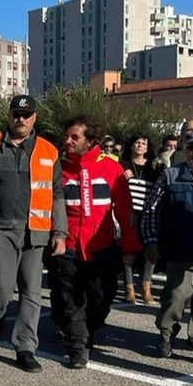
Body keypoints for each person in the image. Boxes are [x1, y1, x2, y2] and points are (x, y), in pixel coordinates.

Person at [0, 95, 65, 373]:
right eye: (16, 114)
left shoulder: (48, 151)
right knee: (1, 287)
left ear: (34, 119)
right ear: (9, 117)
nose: (21, 119)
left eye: (26, 115)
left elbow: (57, 195)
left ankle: (25, 347)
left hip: (35, 232)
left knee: (31, 292)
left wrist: (60, 232)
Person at [50, 116, 140, 369]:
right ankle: (77, 346)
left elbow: (125, 210)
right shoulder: (59, 167)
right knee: (72, 300)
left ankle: (86, 331)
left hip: (102, 248)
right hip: (67, 246)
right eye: (66, 136)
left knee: (102, 298)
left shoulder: (111, 168)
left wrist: (130, 247)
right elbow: (47, 206)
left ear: (90, 141)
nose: (67, 141)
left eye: (74, 137)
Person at [140, 131, 193, 365]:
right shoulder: (170, 175)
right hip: (180, 252)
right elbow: (151, 210)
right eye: (192, 148)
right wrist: (151, 241)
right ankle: (166, 334)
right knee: (176, 296)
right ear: (184, 150)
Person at [120, 134, 160, 305]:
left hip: (148, 213)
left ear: (148, 148)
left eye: (144, 143)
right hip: (129, 213)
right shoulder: (122, 165)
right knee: (129, 252)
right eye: (137, 142)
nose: (140, 145)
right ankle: (129, 289)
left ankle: (146, 287)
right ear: (131, 146)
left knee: (150, 251)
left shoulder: (153, 168)